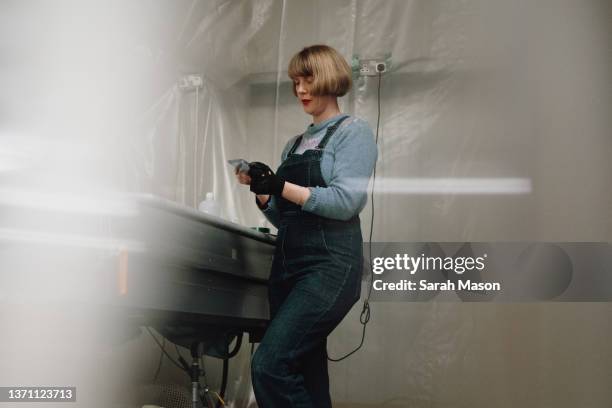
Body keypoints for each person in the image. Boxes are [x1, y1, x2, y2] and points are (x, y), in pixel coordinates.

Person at [235, 44, 377, 408]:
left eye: (308, 79)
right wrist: (265, 193)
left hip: (329, 266)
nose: (300, 89)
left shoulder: (352, 133)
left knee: (270, 365)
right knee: (304, 370)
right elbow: (288, 219)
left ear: (329, 78)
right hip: (287, 266)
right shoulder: (294, 145)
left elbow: (346, 203)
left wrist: (281, 185)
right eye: (296, 81)